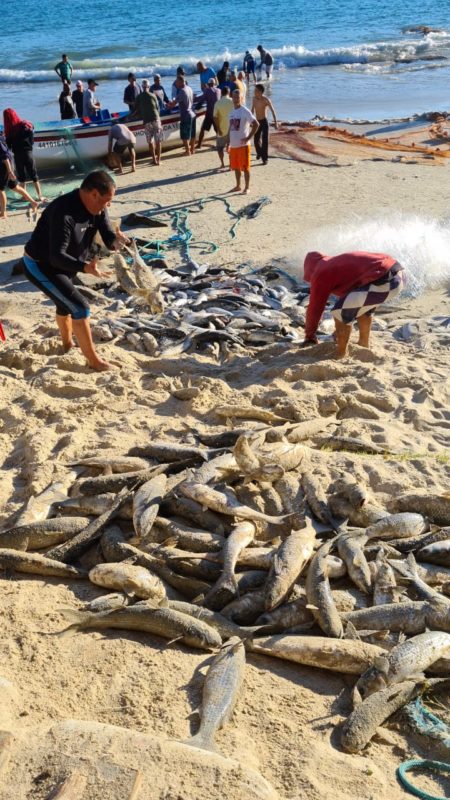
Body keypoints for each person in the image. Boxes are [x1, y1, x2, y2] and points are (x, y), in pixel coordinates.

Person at [23, 171, 130, 370]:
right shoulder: (63, 212)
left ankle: (67, 345)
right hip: (40, 265)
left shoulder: (98, 208)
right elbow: (56, 256)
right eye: (107, 200)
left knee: (65, 305)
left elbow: (107, 234)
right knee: (80, 307)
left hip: (66, 264)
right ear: (94, 194)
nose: (108, 205)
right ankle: (94, 362)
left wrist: (116, 242)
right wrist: (84, 267)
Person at [302, 251, 406, 358]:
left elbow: (315, 308)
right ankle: (364, 345)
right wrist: (339, 330)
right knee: (361, 308)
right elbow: (350, 298)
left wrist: (310, 336)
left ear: (310, 270)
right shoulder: (334, 264)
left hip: (388, 281)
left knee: (339, 313)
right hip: (399, 275)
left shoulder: (320, 272)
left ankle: (341, 355)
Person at [3, 108, 45, 202]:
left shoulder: (9, 131)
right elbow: (31, 137)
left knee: (21, 177)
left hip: (17, 155)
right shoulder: (24, 125)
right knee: (34, 175)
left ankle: (24, 196)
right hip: (28, 153)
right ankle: (40, 196)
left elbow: (8, 147)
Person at [0, 133, 39, 219]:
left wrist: (10, 171)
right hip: (7, 164)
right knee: (14, 186)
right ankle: (33, 203)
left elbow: (5, 156)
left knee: (0, 189)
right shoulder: (1, 137)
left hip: (4, 166)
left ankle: (3, 213)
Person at [228, 89, 258, 194]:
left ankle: (247, 187)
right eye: (234, 97)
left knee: (245, 167)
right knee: (235, 167)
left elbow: (256, 124)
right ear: (232, 98)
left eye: (238, 97)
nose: (236, 99)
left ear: (241, 98)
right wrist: (228, 143)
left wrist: (248, 137)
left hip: (243, 145)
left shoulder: (244, 111)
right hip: (233, 145)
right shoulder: (231, 112)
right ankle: (238, 186)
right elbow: (230, 129)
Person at [130, 79, 163, 165]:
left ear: (142, 87)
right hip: (156, 119)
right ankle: (159, 160)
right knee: (158, 140)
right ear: (148, 86)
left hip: (147, 121)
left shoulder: (139, 97)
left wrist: (131, 116)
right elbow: (157, 108)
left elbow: (135, 109)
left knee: (150, 141)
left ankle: (154, 160)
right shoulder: (153, 95)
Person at [168, 75, 196, 156]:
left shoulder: (182, 91)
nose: (176, 83)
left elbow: (173, 104)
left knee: (184, 135)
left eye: (177, 82)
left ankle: (188, 151)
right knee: (192, 134)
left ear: (181, 81)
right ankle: (192, 149)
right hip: (192, 113)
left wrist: (168, 105)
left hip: (186, 115)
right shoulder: (189, 88)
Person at [251, 83, 278, 164]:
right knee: (256, 140)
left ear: (260, 91)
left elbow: (273, 111)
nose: (254, 92)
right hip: (257, 121)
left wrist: (275, 122)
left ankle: (265, 159)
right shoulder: (254, 99)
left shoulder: (266, 100)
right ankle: (259, 153)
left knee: (265, 140)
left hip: (264, 121)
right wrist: (250, 120)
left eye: (255, 90)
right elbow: (252, 110)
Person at [196, 78, 221, 149]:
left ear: (208, 84)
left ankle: (199, 145)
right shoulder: (219, 90)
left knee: (203, 129)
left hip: (209, 114)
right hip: (217, 114)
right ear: (214, 83)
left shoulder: (207, 90)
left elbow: (201, 99)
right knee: (217, 130)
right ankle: (220, 144)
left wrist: (194, 100)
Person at [213, 86, 233, 169]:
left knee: (220, 148)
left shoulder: (217, 103)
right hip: (232, 129)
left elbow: (215, 117)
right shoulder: (232, 101)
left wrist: (218, 129)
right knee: (231, 147)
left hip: (222, 129)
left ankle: (222, 163)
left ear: (221, 93)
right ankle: (231, 164)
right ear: (229, 93)